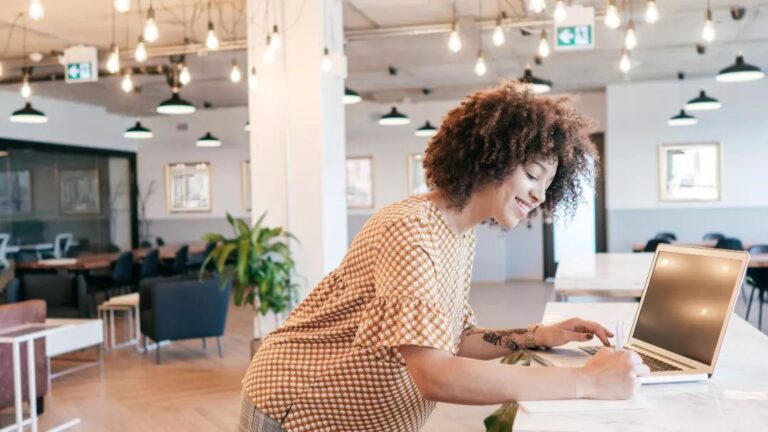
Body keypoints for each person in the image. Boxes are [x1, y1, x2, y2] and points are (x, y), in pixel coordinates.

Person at [238, 81, 650, 432]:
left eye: (548, 184)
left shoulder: (458, 232)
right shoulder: (411, 229)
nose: (541, 195)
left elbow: (453, 342)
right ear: (491, 157)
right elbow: (435, 374)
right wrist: (585, 382)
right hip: (295, 407)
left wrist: (535, 336)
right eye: (532, 175)